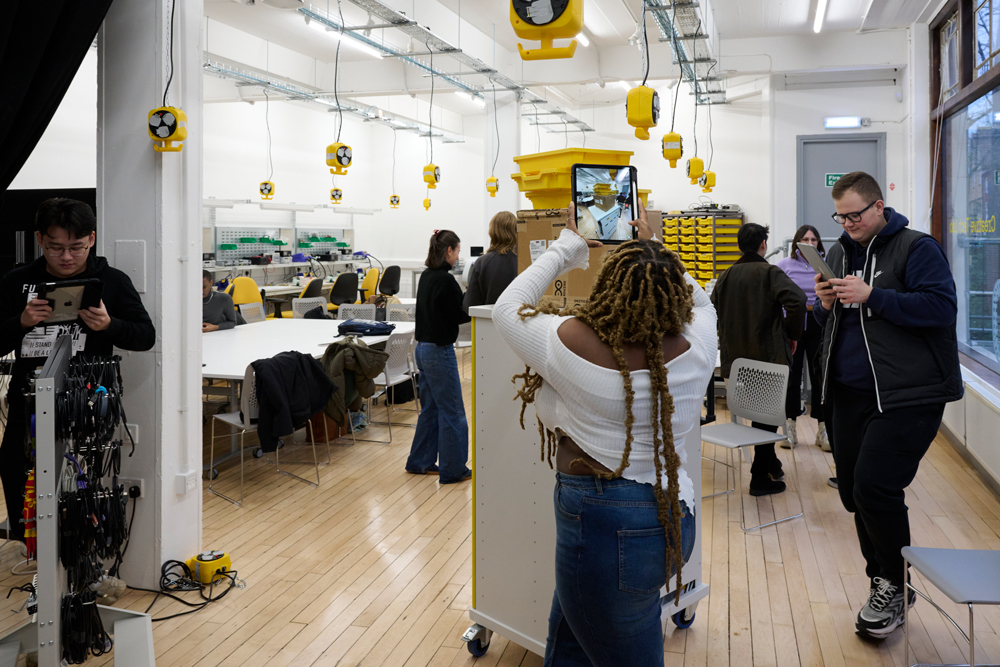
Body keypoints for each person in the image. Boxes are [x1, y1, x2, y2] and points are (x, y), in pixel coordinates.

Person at [493, 200, 716, 665]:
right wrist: (656, 249)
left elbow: (507, 307)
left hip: (603, 524)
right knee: (574, 635)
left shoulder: (568, 341)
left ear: (608, 287)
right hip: (672, 514)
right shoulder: (700, 345)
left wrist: (567, 247)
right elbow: (703, 301)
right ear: (673, 292)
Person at [813, 171, 962, 639]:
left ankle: (892, 587)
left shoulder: (917, 248)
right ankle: (884, 579)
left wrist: (874, 296)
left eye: (855, 214)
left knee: (875, 488)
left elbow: (940, 308)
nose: (847, 223)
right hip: (850, 392)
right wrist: (824, 304)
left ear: (880, 207)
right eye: (840, 215)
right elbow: (839, 321)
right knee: (854, 492)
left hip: (907, 395)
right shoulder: (837, 253)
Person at [0, 198, 155, 543]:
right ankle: (31, 542)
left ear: (92, 239)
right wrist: (21, 322)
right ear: (40, 240)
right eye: (56, 248)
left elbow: (146, 336)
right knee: (16, 467)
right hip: (29, 400)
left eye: (77, 248)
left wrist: (109, 325)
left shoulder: (111, 280)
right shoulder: (16, 282)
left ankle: (80, 544)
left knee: (84, 478)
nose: (67, 257)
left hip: (90, 402)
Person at [711, 223, 807, 497]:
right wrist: (792, 334)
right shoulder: (769, 272)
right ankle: (758, 478)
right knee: (767, 419)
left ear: (740, 245)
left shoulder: (726, 276)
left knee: (757, 415)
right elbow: (798, 301)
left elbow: (712, 310)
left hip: (735, 361)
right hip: (768, 358)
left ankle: (772, 464)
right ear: (763, 244)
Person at [406, 230, 472, 483]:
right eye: (457, 251)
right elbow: (460, 315)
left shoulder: (426, 276)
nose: (458, 256)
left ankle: (419, 461)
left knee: (431, 410)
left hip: (422, 349)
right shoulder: (445, 281)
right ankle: (454, 469)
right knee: (453, 412)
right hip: (438, 352)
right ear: (449, 251)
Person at [776, 226, 829, 450]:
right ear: (797, 242)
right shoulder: (783, 266)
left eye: (813, 239)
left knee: (820, 376)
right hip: (793, 325)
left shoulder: (825, 265)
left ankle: (823, 428)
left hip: (818, 323)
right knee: (791, 375)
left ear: (818, 243)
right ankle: (790, 426)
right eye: (805, 239)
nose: (809, 242)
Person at [463, 211, 518, 311]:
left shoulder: (482, 262)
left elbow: (470, 305)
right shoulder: (527, 260)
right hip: (522, 321)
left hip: (490, 322)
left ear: (492, 232)